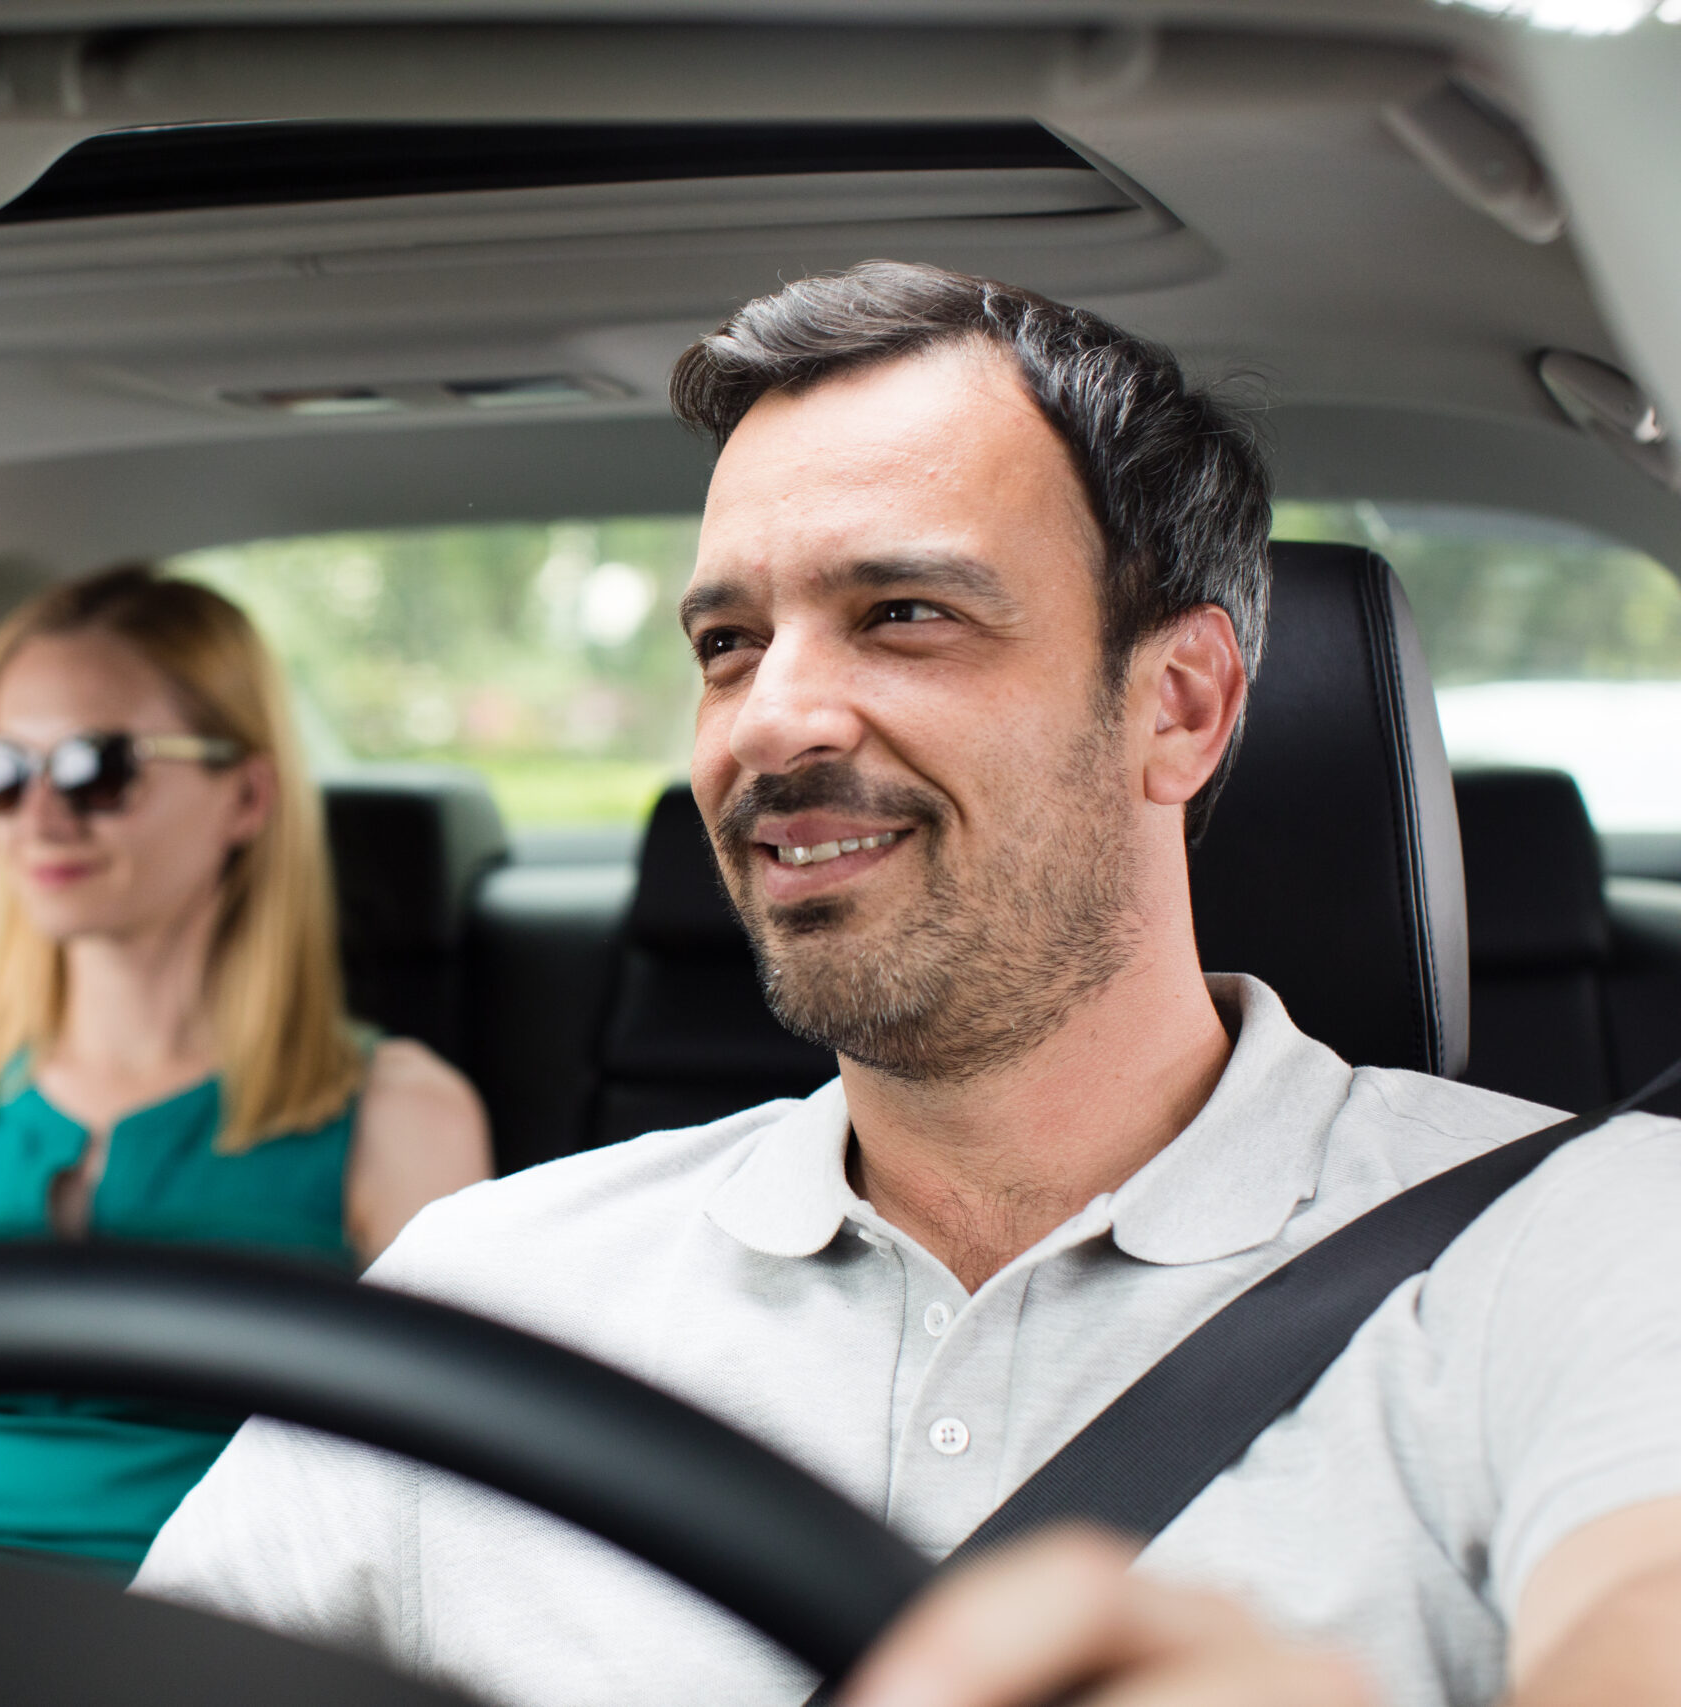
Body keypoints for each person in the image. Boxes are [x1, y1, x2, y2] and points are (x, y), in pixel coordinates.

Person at [133, 264, 1681, 1706]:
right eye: (729, 641)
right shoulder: (483, 1295)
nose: (772, 717)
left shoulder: (1590, 1239)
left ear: (1182, 703)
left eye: (905, 613)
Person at [0, 564, 491, 1573]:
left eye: (97, 766)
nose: (39, 816)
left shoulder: (402, 1117)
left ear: (247, 795)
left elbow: (449, 1495)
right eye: (2, 770)